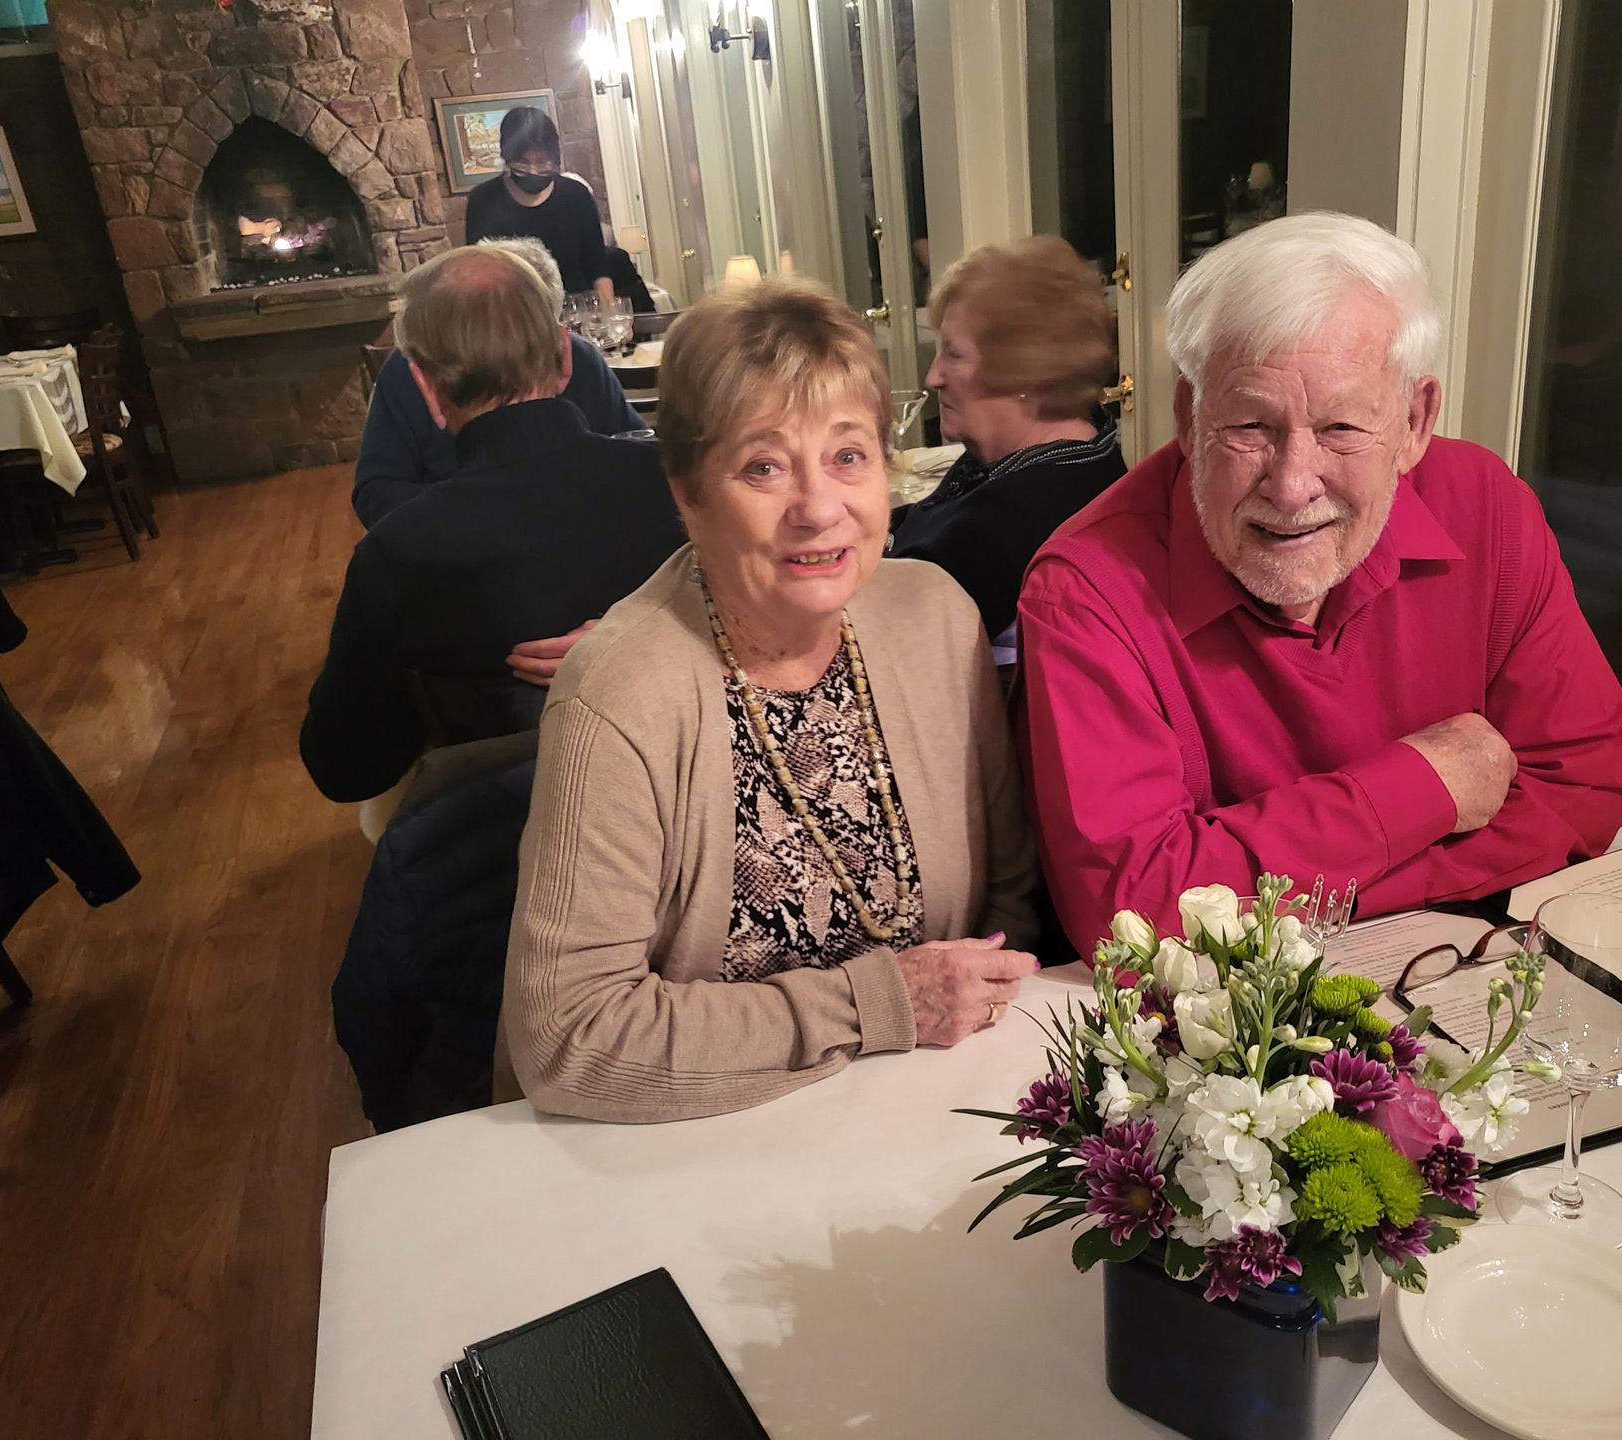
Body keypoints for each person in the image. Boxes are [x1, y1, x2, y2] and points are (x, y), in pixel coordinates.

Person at [1016, 211, 1622, 949]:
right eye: (1250, 426)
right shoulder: (1084, 589)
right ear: (1188, 416)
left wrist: (1293, 890)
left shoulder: (1486, 506)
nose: (1291, 486)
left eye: (1342, 428)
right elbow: (1133, 913)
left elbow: (1586, 785)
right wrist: (1426, 786)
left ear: (1415, 422)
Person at [503, 277, 1040, 1123]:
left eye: (848, 455)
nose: (820, 508)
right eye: (763, 466)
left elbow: (1013, 900)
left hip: (934, 1110)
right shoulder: (620, 694)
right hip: (705, 1138)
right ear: (688, 492)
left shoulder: (936, 616)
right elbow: (569, 1038)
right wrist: (880, 1008)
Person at [300, 242, 683, 804]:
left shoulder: (398, 554)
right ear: (566, 353)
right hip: (685, 805)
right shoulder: (684, 491)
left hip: (499, 836)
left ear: (426, 389)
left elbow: (346, 769)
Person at [894, 236, 1126, 646]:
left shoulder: (1003, 527)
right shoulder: (1085, 450)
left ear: (1024, 373)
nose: (932, 378)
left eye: (954, 354)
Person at [352, 270, 645, 528]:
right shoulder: (404, 372)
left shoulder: (582, 359)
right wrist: (478, 507)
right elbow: (375, 492)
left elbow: (631, 438)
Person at [463, 107, 613, 300]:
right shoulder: (483, 199)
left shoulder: (576, 195)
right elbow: (478, 272)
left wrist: (609, 318)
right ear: (507, 158)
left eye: (542, 162)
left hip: (575, 311)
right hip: (512, 313)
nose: (533, 171)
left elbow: (598, 268)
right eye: (523, 162)